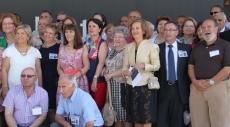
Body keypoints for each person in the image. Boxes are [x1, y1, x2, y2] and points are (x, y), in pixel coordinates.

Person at [188, 19, 230, 127]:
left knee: (220, 122)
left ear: (216, 29)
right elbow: (190, 65)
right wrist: (194, 81)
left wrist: (210, 82)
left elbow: (227, 69)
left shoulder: (225, 45)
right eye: (203, 27)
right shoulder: (197, 46)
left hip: (218, 87)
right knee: (198, 122)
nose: (205, 29)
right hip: (197, 88)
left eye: (209, 27)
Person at [122, 19, 160, 127]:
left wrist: (144, 66)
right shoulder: (128, 47)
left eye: (137, 28)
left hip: (146, 86)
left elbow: (157, 66)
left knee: (146, 119)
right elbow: (125, 66)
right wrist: (125, 72)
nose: (134, 31)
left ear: (143, 31)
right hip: (131, 85)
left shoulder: (152, 46)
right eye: (133, 28)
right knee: (136, 119)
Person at [155, 21, 192, 127]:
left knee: (177, 122)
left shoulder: (186, 48)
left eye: (171, 30)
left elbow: (188, 70)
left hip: (179, 89)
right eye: (165, 30)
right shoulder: (157, 48)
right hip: (162, 88)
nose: (167, 32)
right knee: (160, 121)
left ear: (177, 32)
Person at [2, 24, 42, 97]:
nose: (19, 35)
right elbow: (4, 70)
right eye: (17, 33)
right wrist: (5, 87)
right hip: (13, 89)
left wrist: (40, 87)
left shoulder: (35, 51)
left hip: (32, 89)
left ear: (28, 36)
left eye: (22, 33)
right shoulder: (9, 51)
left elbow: (38, 71)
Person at [103, 26, 132, 127]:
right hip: (112, 86)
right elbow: (110, 64)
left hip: (122, 86)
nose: (117, 39)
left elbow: (127, 67)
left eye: (120, 37)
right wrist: (105, 69)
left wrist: (111, 74)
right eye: (115, 36)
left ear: (126, 38)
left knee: (125, 115)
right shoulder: (113, 50)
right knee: (116, 115)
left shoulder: (128, 49)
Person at [57, 24, 90, 105]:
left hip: (78, 80)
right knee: (65, 107)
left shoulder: (82, 47)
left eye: (71, 32)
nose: (68, 34)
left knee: (79, 106)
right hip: (64, 82)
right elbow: (58, 67)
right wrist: (65, 79)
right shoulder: (61, 48)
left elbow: (87, 66)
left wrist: (72, 79)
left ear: (76, 33)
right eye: (66, 32)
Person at [85, 18, 108, 111]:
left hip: (98, 81)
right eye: (89, 26)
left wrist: (95, 79)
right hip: (86, 80)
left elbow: (101, 62)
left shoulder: (102, 43)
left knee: (97, 108)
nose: (91, 28)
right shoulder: (85, 43)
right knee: (87, 108)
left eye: (94, 26)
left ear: (99, 29)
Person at [39, 23, 60, 126]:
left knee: (52, 108)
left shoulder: (59, 47)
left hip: (56, 82)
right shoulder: (39, 49)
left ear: (56, 35)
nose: (47, 35)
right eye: (46, 32)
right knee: (43, 108)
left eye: (51, 33)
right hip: (42, 82)